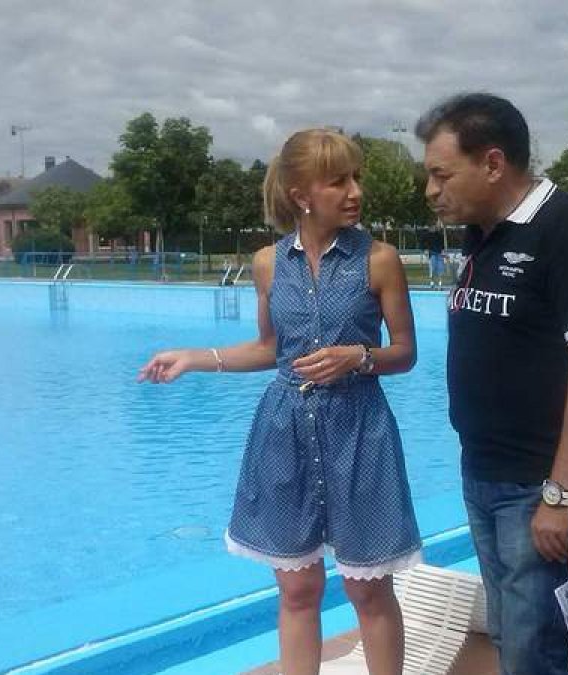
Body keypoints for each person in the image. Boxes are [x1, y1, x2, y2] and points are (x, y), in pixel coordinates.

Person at [139, 128, 421, 674]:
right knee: (298, 591)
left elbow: (405, 353)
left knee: (369, 593)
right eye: (338, 181)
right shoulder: (268, 263)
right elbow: (272, 348)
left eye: (355, 177)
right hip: (284, 432)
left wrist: (359, 357)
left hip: (360, 431)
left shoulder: (380, 260)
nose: (355, 190)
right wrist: (195, 358)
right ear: (300, 194)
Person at [416, 93, 568, 674]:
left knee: (536, 645)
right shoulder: (481, 231)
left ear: (493, 163)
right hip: (481, 469)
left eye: (440, 174)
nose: (431, 190)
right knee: (510, 632)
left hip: (536, 483)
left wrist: (562, 494)